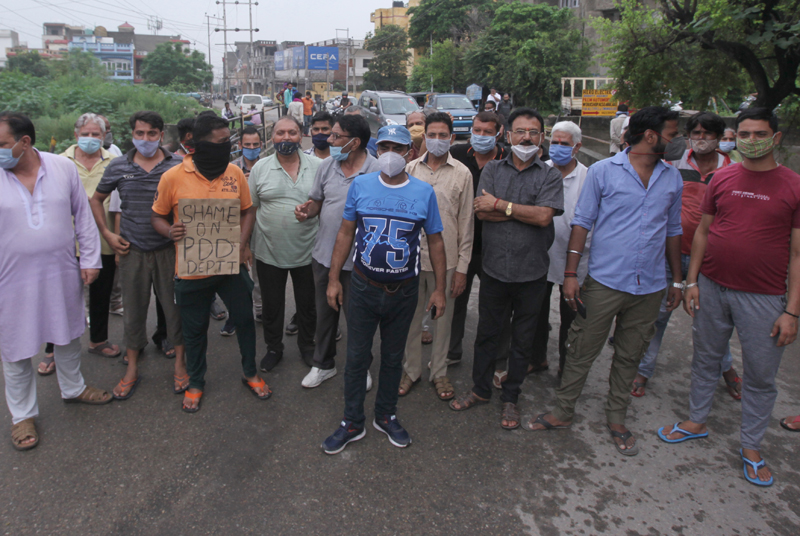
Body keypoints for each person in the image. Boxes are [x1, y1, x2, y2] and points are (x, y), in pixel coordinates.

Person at [527, 106, 684, 457]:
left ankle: (617, 417)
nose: (677, 142)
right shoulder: (603, 172)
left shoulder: (672, 178)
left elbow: (673, 232)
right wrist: (571, 275)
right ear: (651, 136)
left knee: (630, 354)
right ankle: (564, 410)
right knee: (582, 350)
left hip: (651, 286)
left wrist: (677, 281)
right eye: (673, 134)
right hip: (605, 281)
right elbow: (581, 224)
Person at [656, 107, 800, 487]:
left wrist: (792, 311)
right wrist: (691, 282)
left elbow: (798, 253)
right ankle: (696, 420)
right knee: (704, 358)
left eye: (759, 134)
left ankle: (751, 446)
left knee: (760, 375)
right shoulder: (723, 178)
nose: (751, 141)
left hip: (765, 297)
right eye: (745, 135)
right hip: (712, 287)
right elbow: (703, 232)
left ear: (776, 138)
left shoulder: (793, 186)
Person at [321, 125, 447, 454]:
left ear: (410, 152)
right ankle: (352, 421)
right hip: (363, 286)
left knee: (393, 358)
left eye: (399, 147)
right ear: (378, 149)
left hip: (404, 290)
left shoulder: (423, 192)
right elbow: (346, 233)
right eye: (385, 145)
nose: (391, 152)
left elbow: (435, 240)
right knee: (356, 357)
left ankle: (385, 414)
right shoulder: (361, 185)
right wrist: (335, 279)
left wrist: (440, 289)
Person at [1, 112, 112, 451]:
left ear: (25, 143)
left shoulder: (60, 168)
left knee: (66, 333)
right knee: (16, 347)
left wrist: (91, 259)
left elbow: (83, 214)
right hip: (11, 277)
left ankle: (73, 388)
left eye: (3, 144)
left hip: (61, 268)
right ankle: (22, 415)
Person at [449, 108, 564, 431]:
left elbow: (544, 217)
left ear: (541, 137)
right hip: (495, 269)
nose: (526, 137)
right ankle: (480, 389)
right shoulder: (493, 171)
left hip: (532, 272)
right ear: (508, 135)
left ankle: (511, 396)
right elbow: (481, 213)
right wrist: (522, 212)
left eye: (533, 132)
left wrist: (502, 206)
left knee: (522, 340)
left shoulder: (550, 175)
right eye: (520, 131)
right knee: (487, 332)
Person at [152, 113, 267, 413]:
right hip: (191, 272)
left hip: (230, 268)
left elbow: (248, 211)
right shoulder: (173, 177)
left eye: (228, 140)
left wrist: (241, 245)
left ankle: (250, 372)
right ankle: (197, 381)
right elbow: (157, 216)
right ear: (197, 144)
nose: (227, 146)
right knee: (193, 329)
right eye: (220, 141)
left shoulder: (235, 174)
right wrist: (169, 230)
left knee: (244, 320)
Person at [631, 112, 741, 399]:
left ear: (719, 138)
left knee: (711, 323)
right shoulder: (672, 163)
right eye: (696, 133)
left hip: (709, 260)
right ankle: (643, 370)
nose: (701, 138)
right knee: (658, 316)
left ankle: (727, 369)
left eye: (707, 133)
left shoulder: (732, 170)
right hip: (669, 253)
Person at [90, 111, 187, 399]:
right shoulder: (118, 166)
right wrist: (108, 234)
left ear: (161, 135)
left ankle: (181, 365)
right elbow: (96, 200)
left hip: (169, 250)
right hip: (132, 250)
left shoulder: (178, 165)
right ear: (132, 134)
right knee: (133, 312)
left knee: (174, 310)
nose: (146, 139)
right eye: (140, 133)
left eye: (152, 134)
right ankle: (132, 368)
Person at [295, 113, 380, 388]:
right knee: (324, 315)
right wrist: (307, 211)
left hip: (360, 263)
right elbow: (317, 201)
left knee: (358, 320)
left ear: (354, 143)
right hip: (323, 256)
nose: (328, 140)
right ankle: (323, 364)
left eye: (335, 136)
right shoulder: (328, 166)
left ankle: (360, 367)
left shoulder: (378, 172)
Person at [400, 113, 474, 401]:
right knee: (411, 319)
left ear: (452, 138)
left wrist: (462, 269)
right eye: (433, 134)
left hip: (448, 262)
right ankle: (411, 369)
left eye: (444, 135)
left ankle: (439, 372)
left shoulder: (462, 174)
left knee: (443, 321)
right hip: (411, 260)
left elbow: (466, 224)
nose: (438, 140)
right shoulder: (409, 170)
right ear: (424, 137)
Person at [249, 116, 321, 371]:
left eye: (292, 132)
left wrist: (312, 210)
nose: (286, 138)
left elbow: (326, 203)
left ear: (301, 136)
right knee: (272, 304)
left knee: (308, 303)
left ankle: (307, 346)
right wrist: (244, 245)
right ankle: (273, 348)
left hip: (309, 249)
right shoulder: (260, 168)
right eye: (280, 133)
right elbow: (251, 209)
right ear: (272, 138)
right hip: (269, 250)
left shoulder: (319, 166)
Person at [448, 112, 508, 367]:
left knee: (495, 307)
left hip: (494, 246)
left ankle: (497, 359)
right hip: (461, 245)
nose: (481, 136)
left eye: (487, 132)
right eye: (477, 130)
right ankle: (451, 352)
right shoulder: (458, 153)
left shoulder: (510, 159)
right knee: (455, 300)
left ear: (499, 133)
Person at [529, 121, 590, 376]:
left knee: (571, 318)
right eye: (554, 142)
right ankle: (537, 358)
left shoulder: (589, 177)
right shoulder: (541, 171)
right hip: (542, 256)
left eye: (564, 144)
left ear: (577, 147)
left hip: (575, 262)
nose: (558, 148)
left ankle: (568, 369)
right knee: (537, 314)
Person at [62, 113, 121, 359]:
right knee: (63, 296)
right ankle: (53, 349)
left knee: (101, 293)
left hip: (103, 239)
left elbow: (120, 201)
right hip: (66, 241)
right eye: (85, 134)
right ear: (76, 135)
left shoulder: (114, 161)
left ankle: (98, 340)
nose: (90, 139)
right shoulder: (60, 162)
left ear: (103, 136)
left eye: (95, 134)